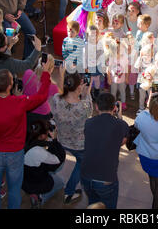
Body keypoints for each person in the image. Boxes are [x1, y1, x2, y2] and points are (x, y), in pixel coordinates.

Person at [0, 66, 51, 209]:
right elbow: (41, 97)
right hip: (15, 153)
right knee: (15, 188)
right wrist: (46, 74)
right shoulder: (20, 103)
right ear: (10, 85)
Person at [50, 73, 93, 204]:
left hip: (62, 139)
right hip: (79, 145)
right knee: (81, 163)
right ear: (79, 87)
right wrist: (87, 94)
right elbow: (89, 114)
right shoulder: (84, 107)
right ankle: (69, 191)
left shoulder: (56, 99)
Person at [80, 92, 129, 209]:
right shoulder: (121, 124)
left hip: (86, 175)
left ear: (96, 106)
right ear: (114, 108)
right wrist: (119, 115)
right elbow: (122, 142)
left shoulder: (88, 123)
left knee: (93, 204)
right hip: (105, 178)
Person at [23, 119, 66, 208]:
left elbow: (39, 144)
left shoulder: (24, 140)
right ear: (42, 135)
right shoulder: (38, 151)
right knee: (61, 181)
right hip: (35, 183)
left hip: (23, 179)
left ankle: (35, 193)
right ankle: (40, 197)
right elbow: (59, 159)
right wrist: (55, 140)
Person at [23, 54, 62, 124]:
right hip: (42, 117)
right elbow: (62, 98)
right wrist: (62, 75)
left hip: (26, 111)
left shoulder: (27, 73)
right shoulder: (53, 87)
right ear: (52, 68)